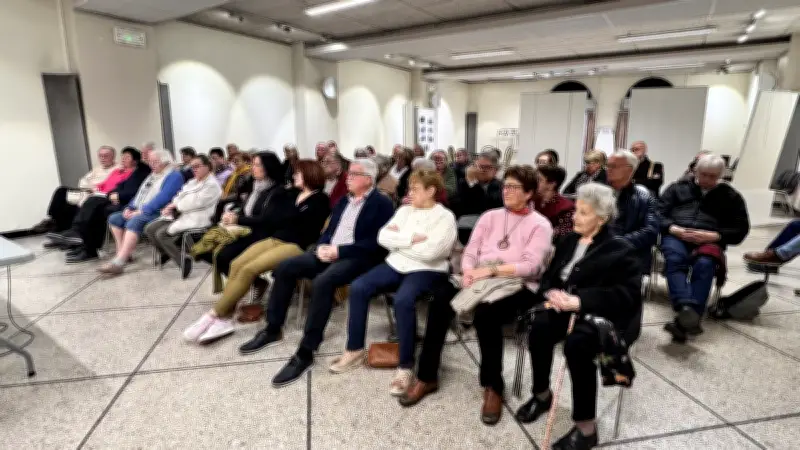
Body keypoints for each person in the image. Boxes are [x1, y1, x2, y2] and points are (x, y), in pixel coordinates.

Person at [399, 165, 553, 425]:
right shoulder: (490, 216)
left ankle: (493, 385)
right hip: (479, 276)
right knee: (441, 299)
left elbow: (531, 266)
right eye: (505, 186)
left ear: (529, 193)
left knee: (486, 314)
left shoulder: (540, 224)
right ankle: (427, 376)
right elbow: (471, 250)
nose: (506, 191)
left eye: (514, 187)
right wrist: (469, 271)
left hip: (517, 284)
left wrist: (489, 271)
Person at [238, 159, 394, 388]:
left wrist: (339, 251)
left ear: (368, 179)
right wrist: (322, 246)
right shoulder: (344, 200)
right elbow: (329, 230)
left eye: (354, 174)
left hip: (357, 257)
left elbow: (377, 243)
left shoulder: (382, 204)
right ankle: (273, 328)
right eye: (349, 173)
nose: (348, 177)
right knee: (285, 267)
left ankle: (306, 351)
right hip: (330, 251)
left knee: (323, 282)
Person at [515, 182, 642, 450]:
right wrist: (551, 293)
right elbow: (549, 277)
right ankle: (542, 395)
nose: (575, 217)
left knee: (578, 345)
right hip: (564, 305)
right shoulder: (569, 240)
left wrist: (581, 301)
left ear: (602, 218)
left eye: (583, 213)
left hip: (602, 315)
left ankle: (586, 428)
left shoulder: (620, 249)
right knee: (539, 328)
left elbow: (627, 296)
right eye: (576, 210)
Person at [330, 169, 457, 395]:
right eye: (410, 188)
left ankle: (405, 366)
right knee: (358, 287)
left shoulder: (444, 217)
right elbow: (383, 237)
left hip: (427, 269)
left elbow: (434, 252)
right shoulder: (404, 210)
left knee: (403, 300)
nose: (410, 193)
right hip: (396, 263)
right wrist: (411, 239)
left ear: (431, 191)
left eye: (415, 189)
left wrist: (400, 242)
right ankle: (355, 349)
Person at [184, 160, 331, 344]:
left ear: (310, 175)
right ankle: (225, 318)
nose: (294, 176)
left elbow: (299, 224)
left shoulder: (320, 199)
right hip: (276, 238)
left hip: (296, 245)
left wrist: (283, 214)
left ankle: (213, 315)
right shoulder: (294, 194)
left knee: (249, 269)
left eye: (298, 173)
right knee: (236, 263)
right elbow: (276, 218)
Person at [659, 154, 750, 342]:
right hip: (677, 234)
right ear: (695, 171)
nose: (707, 180)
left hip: (709, 239)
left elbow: (741, 229)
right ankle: (687, 309)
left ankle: (685, 320)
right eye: (703, 175)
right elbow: (657, 214)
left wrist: (716, 236)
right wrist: (672, 228)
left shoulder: (731, 196)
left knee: (705, 265)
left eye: (713, 176)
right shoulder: (677, 188)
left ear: (721, 175)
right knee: (675, 259)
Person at [192, 151, 291, 288]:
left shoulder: (278, 191)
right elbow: (245, 207)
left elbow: (266, 220)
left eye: (257, 165)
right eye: (253, 164)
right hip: (244, 229)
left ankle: (253, 283)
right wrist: (231, 214)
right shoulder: (255, 185)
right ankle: (253, 282)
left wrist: (237, 220)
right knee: (202, 247)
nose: (252, 168)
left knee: (222, 256)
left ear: (268, 167)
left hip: (262, 234)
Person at [46, 147, 151, 263]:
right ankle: (83, 244)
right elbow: (117, 186)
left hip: (121, 201)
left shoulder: (140, 172)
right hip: (106, 196)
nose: (123, 159)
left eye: (127, 157)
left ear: (135, 160)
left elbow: (134, 192)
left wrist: (116, 195)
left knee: (94, 205)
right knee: (82, 202)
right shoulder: (123, 171)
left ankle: (82, 240)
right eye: (123, 157)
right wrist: (111, 193)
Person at [98, 149, 185, 276]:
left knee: (134, 221)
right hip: (141, 209)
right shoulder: (153, 175)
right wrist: (129, 207)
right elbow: (140, 194)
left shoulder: (174, 175)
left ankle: (119, 262)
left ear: (165, 162)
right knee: (115, 218)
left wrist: (141, 211)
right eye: (150, 162)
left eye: (155, 162)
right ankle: (123, 253)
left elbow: (163, 198)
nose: (151, 165)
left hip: (160, 212)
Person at [144, 155, 222, 279]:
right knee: (149, 229)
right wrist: (172, 204)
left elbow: (195, 202)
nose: (194, 169)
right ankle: (166, 252)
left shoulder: (212, 185)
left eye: (197, 166)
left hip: (198, 217)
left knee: (161, 234)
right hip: (182, 213)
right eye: (192, 167)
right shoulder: (193, 182)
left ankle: (183, 261)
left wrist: (175, 206)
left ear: (207, 166)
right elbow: (179, 195)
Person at [33, 146, 119, 234]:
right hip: (87, 190)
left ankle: (65, 230)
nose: (102, 158)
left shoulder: (117, 169)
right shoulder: (97, 168)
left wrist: (94, 187)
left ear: (113, 156)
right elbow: (82, 181)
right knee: (61, 191)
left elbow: (110, 185)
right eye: (100, 156)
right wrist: (90, 186)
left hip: (99, 195)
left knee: (80, 203)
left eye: (106, 156)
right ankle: (52, 220)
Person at [606, 150, 659, 272]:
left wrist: (619, 243)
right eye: (607, 165)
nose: (608, 169)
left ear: (630, 170)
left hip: (629, 251)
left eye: (613, 166)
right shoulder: (598, 192)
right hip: (598, 249)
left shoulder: (645, 197)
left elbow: (650, 231)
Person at [535, 166, 575, 240]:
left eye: (538, 179)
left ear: (552, 184)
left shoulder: (566, 207)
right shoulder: (531, 200)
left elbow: (563, 235)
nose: (533, 182)